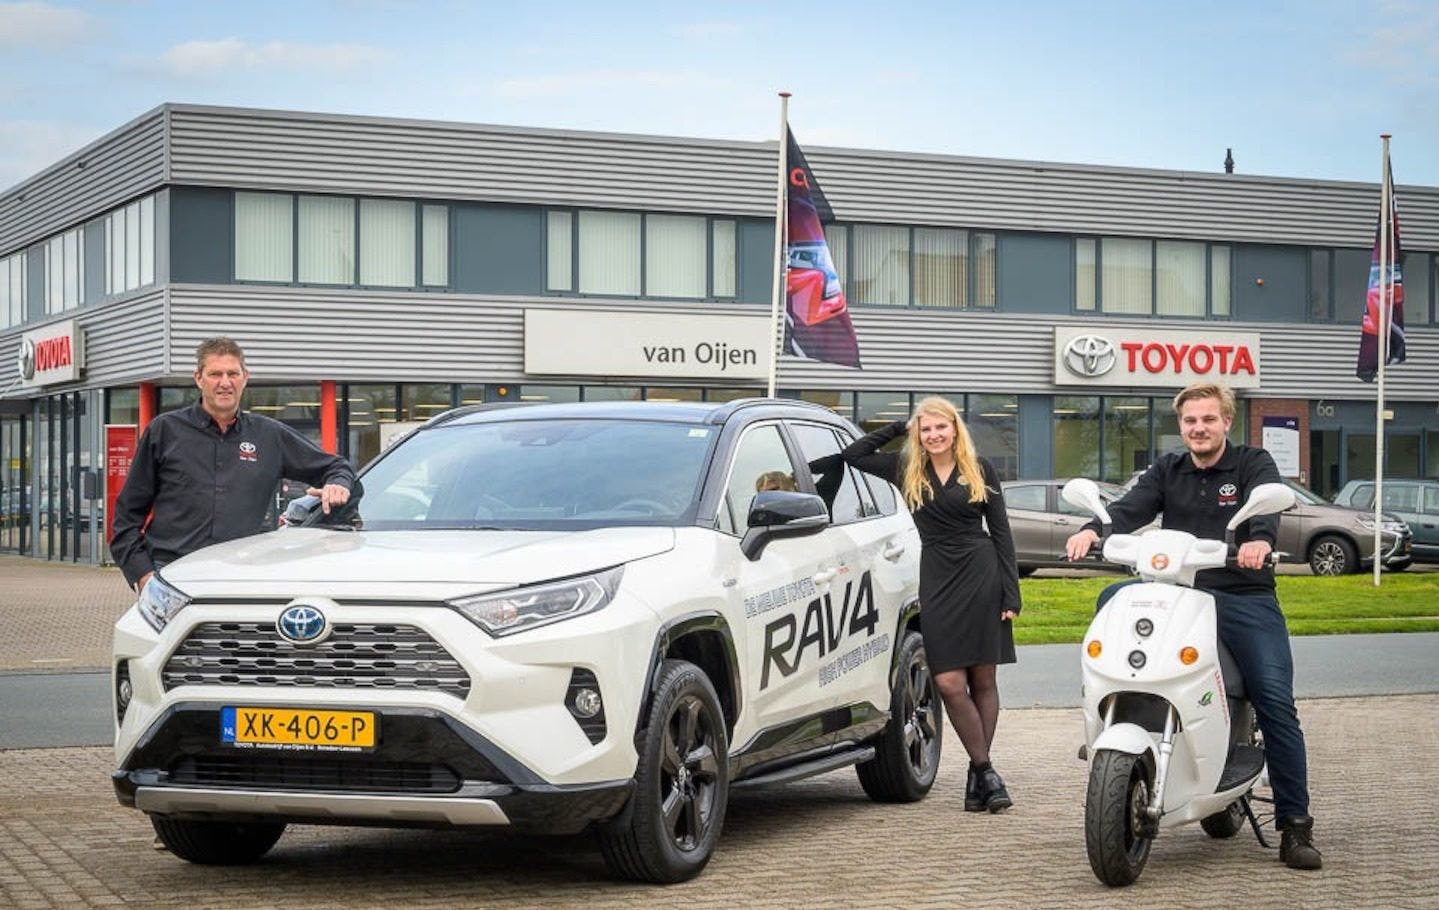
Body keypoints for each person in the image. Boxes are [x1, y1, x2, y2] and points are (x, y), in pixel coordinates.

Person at [1064, 381, 1322, 871]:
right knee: (1112, 601)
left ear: (1226, 421)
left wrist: (1259, 542)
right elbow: (1130, 509)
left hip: (1241, 594)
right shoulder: (1169, 468)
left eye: (1208, 419)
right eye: (1189, 421)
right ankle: (1113, 720)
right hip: (1178, 591)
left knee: (1274, 698)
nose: (1198, 428)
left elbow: (1267, 510)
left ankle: (1295, 825)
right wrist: (1095, 528)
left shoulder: (1252, 465)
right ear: (1180, 425)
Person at [842, 396, 1021, 813]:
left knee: (983, 680)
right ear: (918, 434)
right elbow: (854, 455)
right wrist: (898, 428)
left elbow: (1002, 533)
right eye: (926, 429)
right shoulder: (906, 469)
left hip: (982, 573)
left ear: (955, 429)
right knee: (948, 683)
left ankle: (983, 776)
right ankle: (985, 770)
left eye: (941, 427)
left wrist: (1011, 593)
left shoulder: (981, 470)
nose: (935, 435)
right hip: (938, 576)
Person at [110, 337, 357, 594]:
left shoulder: (269, 435)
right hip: (172, 576)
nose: (225, 383)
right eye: (215, 374)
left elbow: (336, 466)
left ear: (245, 377)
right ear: (198, 378)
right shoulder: (164, 431)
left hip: (243, 578)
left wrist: (337, 483)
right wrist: (144, 576)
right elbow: (126, 517)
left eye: (232, 373)